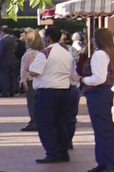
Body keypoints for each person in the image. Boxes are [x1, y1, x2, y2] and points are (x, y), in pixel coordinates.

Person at [24, 27, 80, 162]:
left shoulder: (46, 53)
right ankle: (63, 151)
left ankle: (52, 153)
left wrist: (28, 69)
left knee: (46, 123)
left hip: (47, 92)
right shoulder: (66, 52)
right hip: (65, 90)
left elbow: (35, 71)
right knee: (61, 122)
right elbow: (73, 71)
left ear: (48, 38)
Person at [82, 30, 114, 172]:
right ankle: (104, 162)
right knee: (102, 129)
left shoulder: (99, 54)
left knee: (104, 129)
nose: (92, 40)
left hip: (99, 93)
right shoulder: (109, 51)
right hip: (106, 92)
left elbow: (99, 78)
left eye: (94, 37)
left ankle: (113, 164)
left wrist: (82, 80)